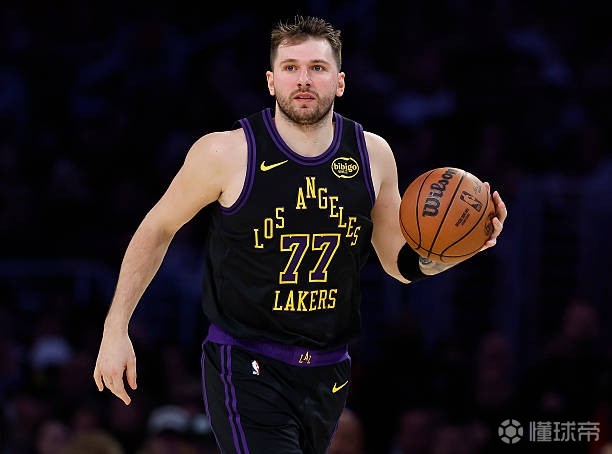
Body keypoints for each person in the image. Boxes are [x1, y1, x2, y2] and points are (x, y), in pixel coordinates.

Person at [93, 15, 507, 454]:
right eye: (291, 67)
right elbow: (157, 227)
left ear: (340, 82)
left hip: (329, 371)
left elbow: (399, 263)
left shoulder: (373, 155)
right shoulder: (226, 152)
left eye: (317, 67)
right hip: (245, 363)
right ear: (271, 81)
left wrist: (457, 251)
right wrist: (115, 327)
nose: (304, 79)